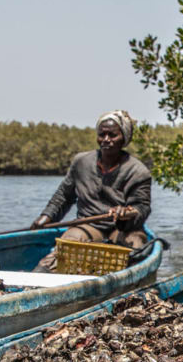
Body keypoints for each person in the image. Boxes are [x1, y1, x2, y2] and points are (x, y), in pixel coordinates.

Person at [32, 110, 152, 271]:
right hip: (89, 226)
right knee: (70, 241)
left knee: (137, 243)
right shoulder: (81, 162)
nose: (106, 140)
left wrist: (126, 214)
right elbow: (63, 196)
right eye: (102, 135)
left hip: (122, 230)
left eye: (112, 135)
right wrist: (46, 217)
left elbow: (141, 208)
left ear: (124, 138)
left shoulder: (138, 171)